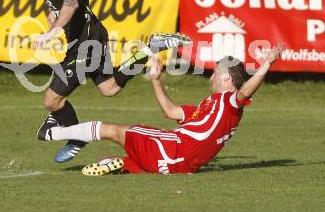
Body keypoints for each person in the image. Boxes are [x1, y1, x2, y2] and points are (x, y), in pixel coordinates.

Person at [17, 0, 192, 163]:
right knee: (109, 88)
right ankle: (149, 49)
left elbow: (71, 2)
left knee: (52, 99)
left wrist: (52, 32)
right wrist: (54, 21)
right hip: (88, 37)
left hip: (86, 41)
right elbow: (59, 8)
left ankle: (76, 137)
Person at [38, 43, 285, 175]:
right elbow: (171, 112)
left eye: (214, 72)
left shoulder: (230, 101)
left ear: (225, 79)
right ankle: (116, 163)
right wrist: (157, 80)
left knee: (114, 130)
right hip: (178, 163)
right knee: (131, 157)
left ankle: (53, 133)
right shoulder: (208, 105)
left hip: (174, 148)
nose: (210, 76)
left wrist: (266, 64)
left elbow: (246, 91)